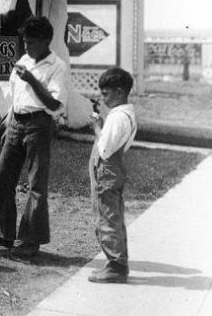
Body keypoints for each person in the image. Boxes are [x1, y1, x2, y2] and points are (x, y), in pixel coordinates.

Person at [0, 16, 68, 258]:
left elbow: (56, 104)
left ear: (46, 41)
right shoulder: (25, 60)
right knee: (3, 178)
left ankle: (30, 240)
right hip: (16, 122)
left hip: (39, 125)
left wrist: (33, 81)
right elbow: (16, 95)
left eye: (32, 42)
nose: (26, 47)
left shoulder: (57, 66)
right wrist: (6, 120)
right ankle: (3, 234)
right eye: (24, 42)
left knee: (37, 184)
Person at [87, 67, 137, 284]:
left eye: (105, 93)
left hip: (107, 170)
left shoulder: (117, 117)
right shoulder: (125, 114)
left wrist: (98, 127)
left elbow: (105, 148)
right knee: (113, 216)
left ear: (119, 92)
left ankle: (115, 267)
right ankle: (117, 263)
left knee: (106, 217)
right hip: (114, 170)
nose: (102, 98)